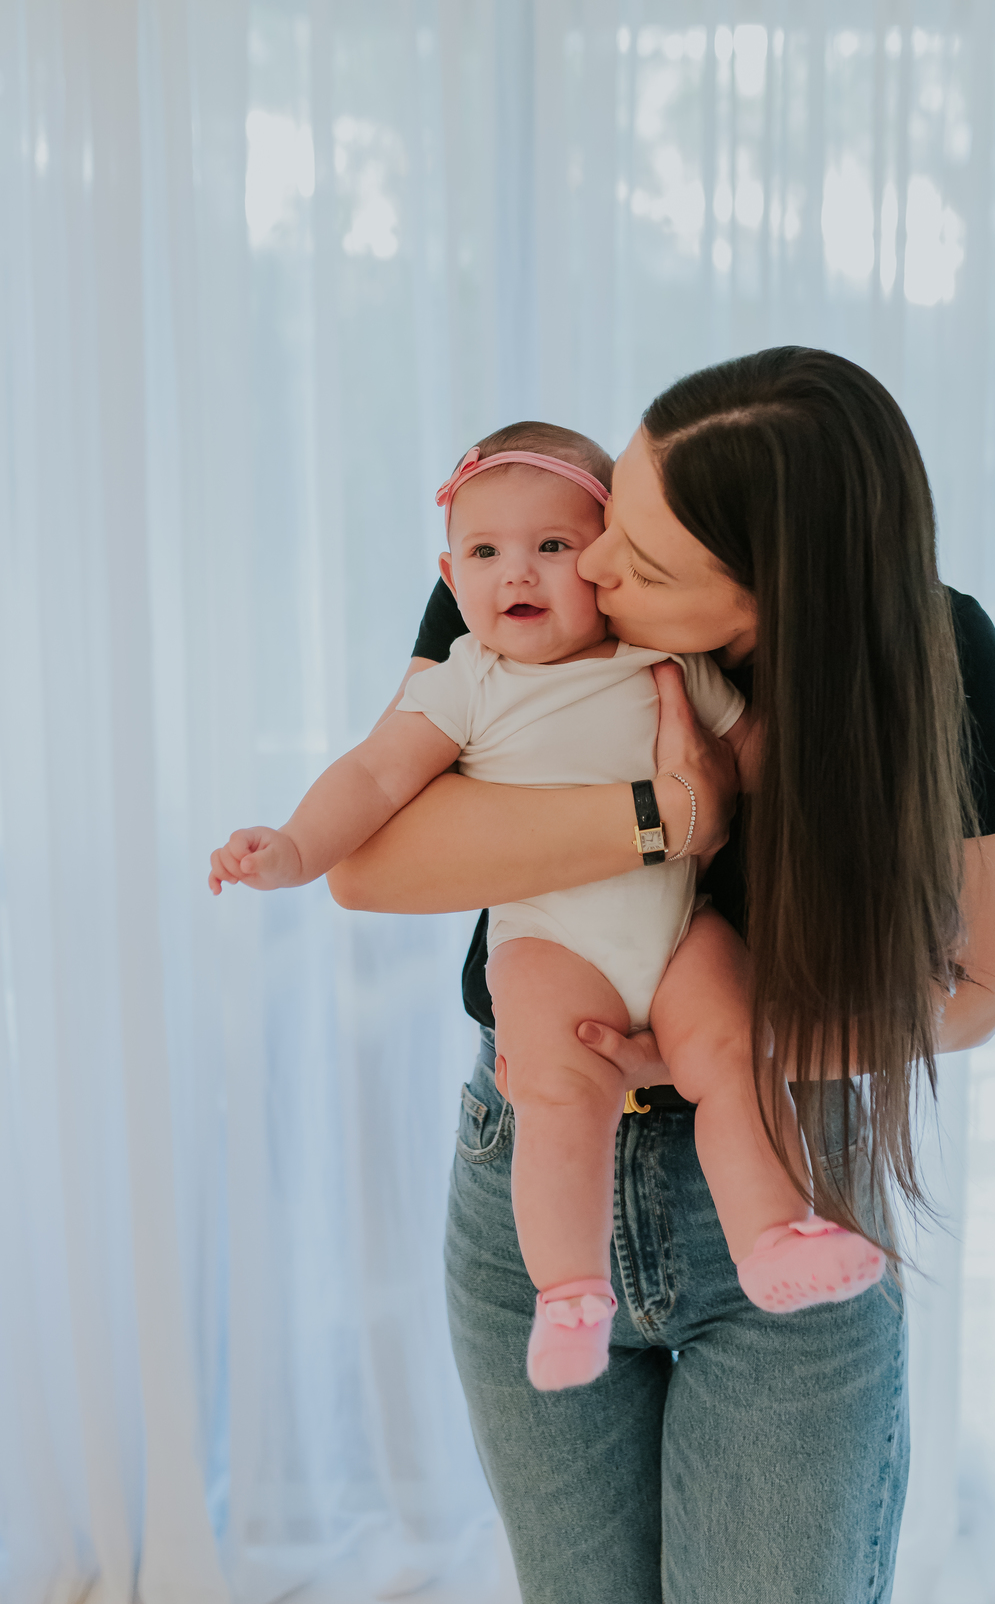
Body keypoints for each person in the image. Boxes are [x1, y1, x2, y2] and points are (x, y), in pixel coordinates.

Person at [328, 348, 995, 1604]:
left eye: (647, 565)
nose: (596, 566)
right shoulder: (528, 567)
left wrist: (716, 1053)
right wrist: (668, 815)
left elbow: (975, 987)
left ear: (769, 604)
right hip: (537, 1176)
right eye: (618, 511)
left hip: (774, 1176)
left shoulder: (932, 649)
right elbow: (370, 864)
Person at [208, 418, 886, 1394]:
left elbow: (758, 762)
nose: (516, 573)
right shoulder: (467, 683)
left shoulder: (662, 659)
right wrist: (292, 848)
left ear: (610, 563)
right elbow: (374, 778)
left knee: (735, 1055)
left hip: (678, 927)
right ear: (450, 576)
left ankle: (774, 1236)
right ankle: (570, 1294)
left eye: (553, 546)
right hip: (551, 940)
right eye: (485, 553)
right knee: (561, 1093)